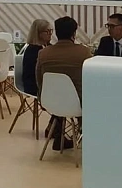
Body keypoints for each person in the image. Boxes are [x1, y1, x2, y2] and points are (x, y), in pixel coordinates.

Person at [35, 17, 91, 150]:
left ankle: (58, 135)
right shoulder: (84, 52)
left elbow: (39, 79)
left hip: (50, 101)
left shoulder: (43, 53)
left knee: (62, 96)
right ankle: (85, 134)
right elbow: (90, 79)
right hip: (79, 104)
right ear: (74, 33)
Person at [19, 19, 53, 96]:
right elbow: (33, 73)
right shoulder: (32, 50)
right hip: (34, 85)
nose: (50, 34)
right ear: (38, 33)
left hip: (45, 82)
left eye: (51, 31)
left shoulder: (49, 46)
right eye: (47, 31)